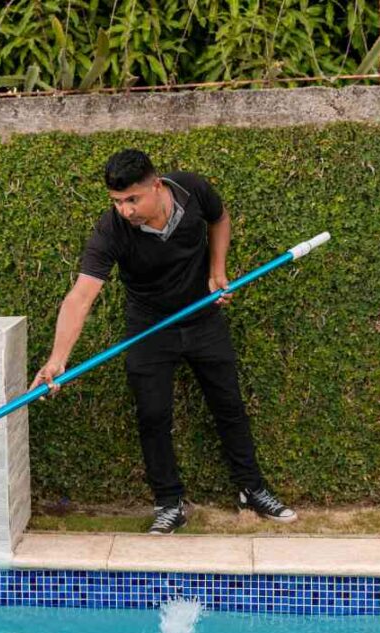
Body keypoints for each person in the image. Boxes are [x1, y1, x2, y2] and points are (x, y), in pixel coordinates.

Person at [30, 149, 296, 534]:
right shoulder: (111, 231)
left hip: (203, 318)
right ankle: (169, 503)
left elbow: (219, 220)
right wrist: (58, 360)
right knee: (153, 417)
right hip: (149, 329)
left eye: (132, 199)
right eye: (117, 201)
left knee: (229, 406)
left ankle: (251, 488)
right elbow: (80, 297)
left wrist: (217, 271)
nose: (125, 210)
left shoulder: (192, 189)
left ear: (156, 186)